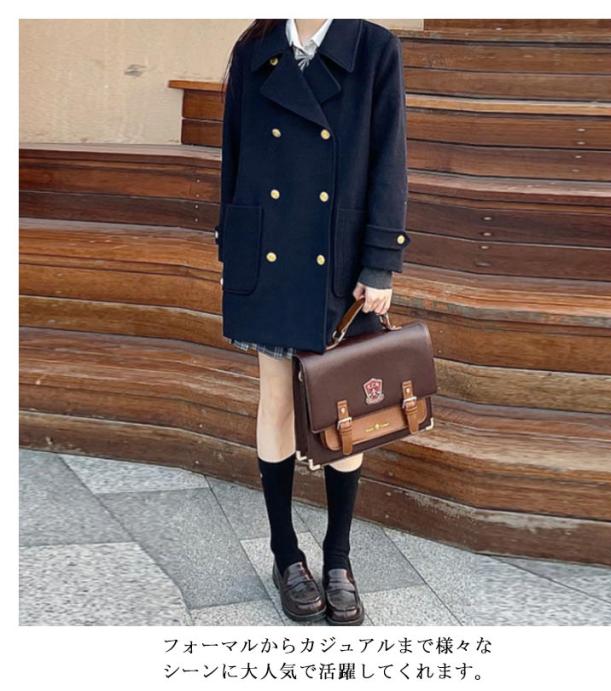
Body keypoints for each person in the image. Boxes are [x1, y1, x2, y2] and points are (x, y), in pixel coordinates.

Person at [215, 18, 410, 625]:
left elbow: (389, 157)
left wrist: (380, 261)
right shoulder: (255, 47)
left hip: (341, 258)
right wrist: (234, 244)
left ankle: (338, 559)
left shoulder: (373, 47)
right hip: (269, 247)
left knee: (347, 411)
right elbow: (234, 152)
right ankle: (286, 555)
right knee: (275, 400)